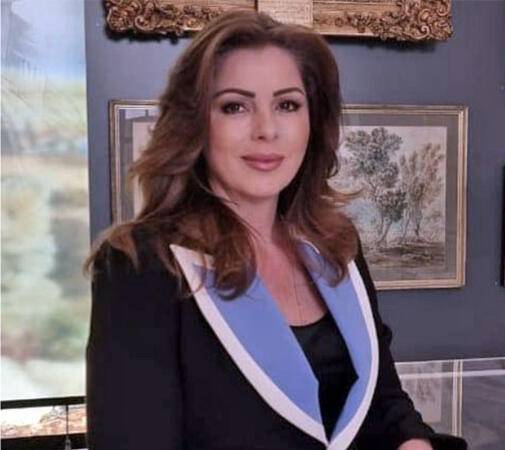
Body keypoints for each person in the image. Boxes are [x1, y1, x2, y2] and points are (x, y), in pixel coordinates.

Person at [85, 10, 466, 450]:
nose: (266, 130)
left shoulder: (336, 245)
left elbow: (384, 402)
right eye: (235, 106)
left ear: (312, 121)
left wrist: (412, 442)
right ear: (195, 123)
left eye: (287, 105)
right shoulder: (141, 265)